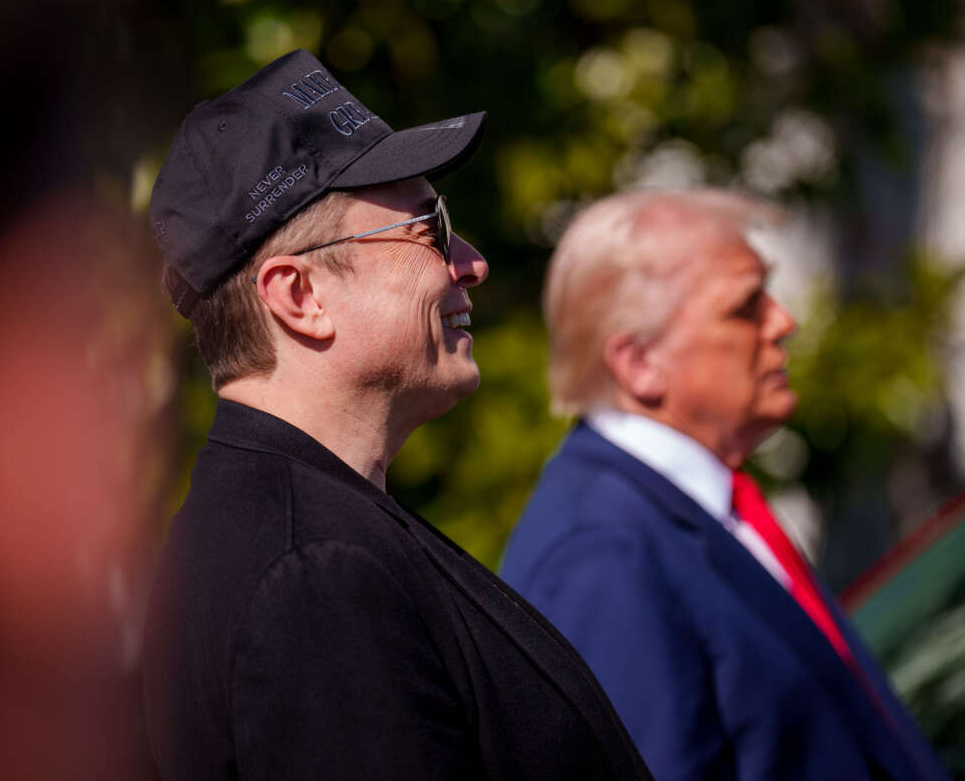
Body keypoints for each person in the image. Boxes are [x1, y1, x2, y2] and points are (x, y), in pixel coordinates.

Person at [140, 50, 651, 781]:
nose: (470, 262)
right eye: (429, 230)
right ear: (299, 297)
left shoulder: (303, 529)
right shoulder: (315, 577)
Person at [500, 189, 950, 781]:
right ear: (640, 363)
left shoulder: (694, 508)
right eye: (745, 306)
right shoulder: (602, 552)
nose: (783, 321)